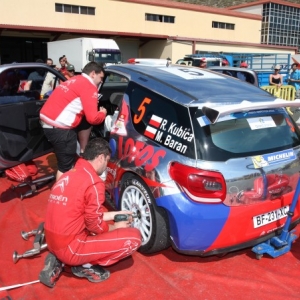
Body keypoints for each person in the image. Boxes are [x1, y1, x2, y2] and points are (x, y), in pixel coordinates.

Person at [39, 138, 142, 287]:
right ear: (100, 157)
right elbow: (95, 225)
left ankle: (59, 257)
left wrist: (115, 214)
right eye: (106, 161)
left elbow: (83, 213)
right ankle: (83, 264)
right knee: (134, 238)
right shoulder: (93, 182)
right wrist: (116, 227)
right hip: (70, 247)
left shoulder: (68, 175)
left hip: (51, 240)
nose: (106, 166)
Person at [39, 62, 107, 180]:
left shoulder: (75, 79)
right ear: (92, 74)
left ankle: (82, 152)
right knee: (65, 168)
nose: (101, 82)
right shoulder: (89, 87)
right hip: (60, 129)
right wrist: (103, 113)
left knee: (65, 162)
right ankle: (62, 195)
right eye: (101, 78)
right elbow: (93, 118)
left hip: (47, 121)